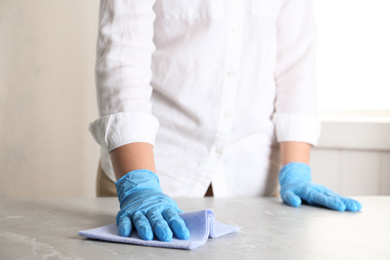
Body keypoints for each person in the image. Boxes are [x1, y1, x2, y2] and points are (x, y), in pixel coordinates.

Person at [89, 0, 362, 242]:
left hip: (252, 182)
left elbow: (296, 62)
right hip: (151, 166)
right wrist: (140, 183)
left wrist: (297, 169)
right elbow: (123, 55)